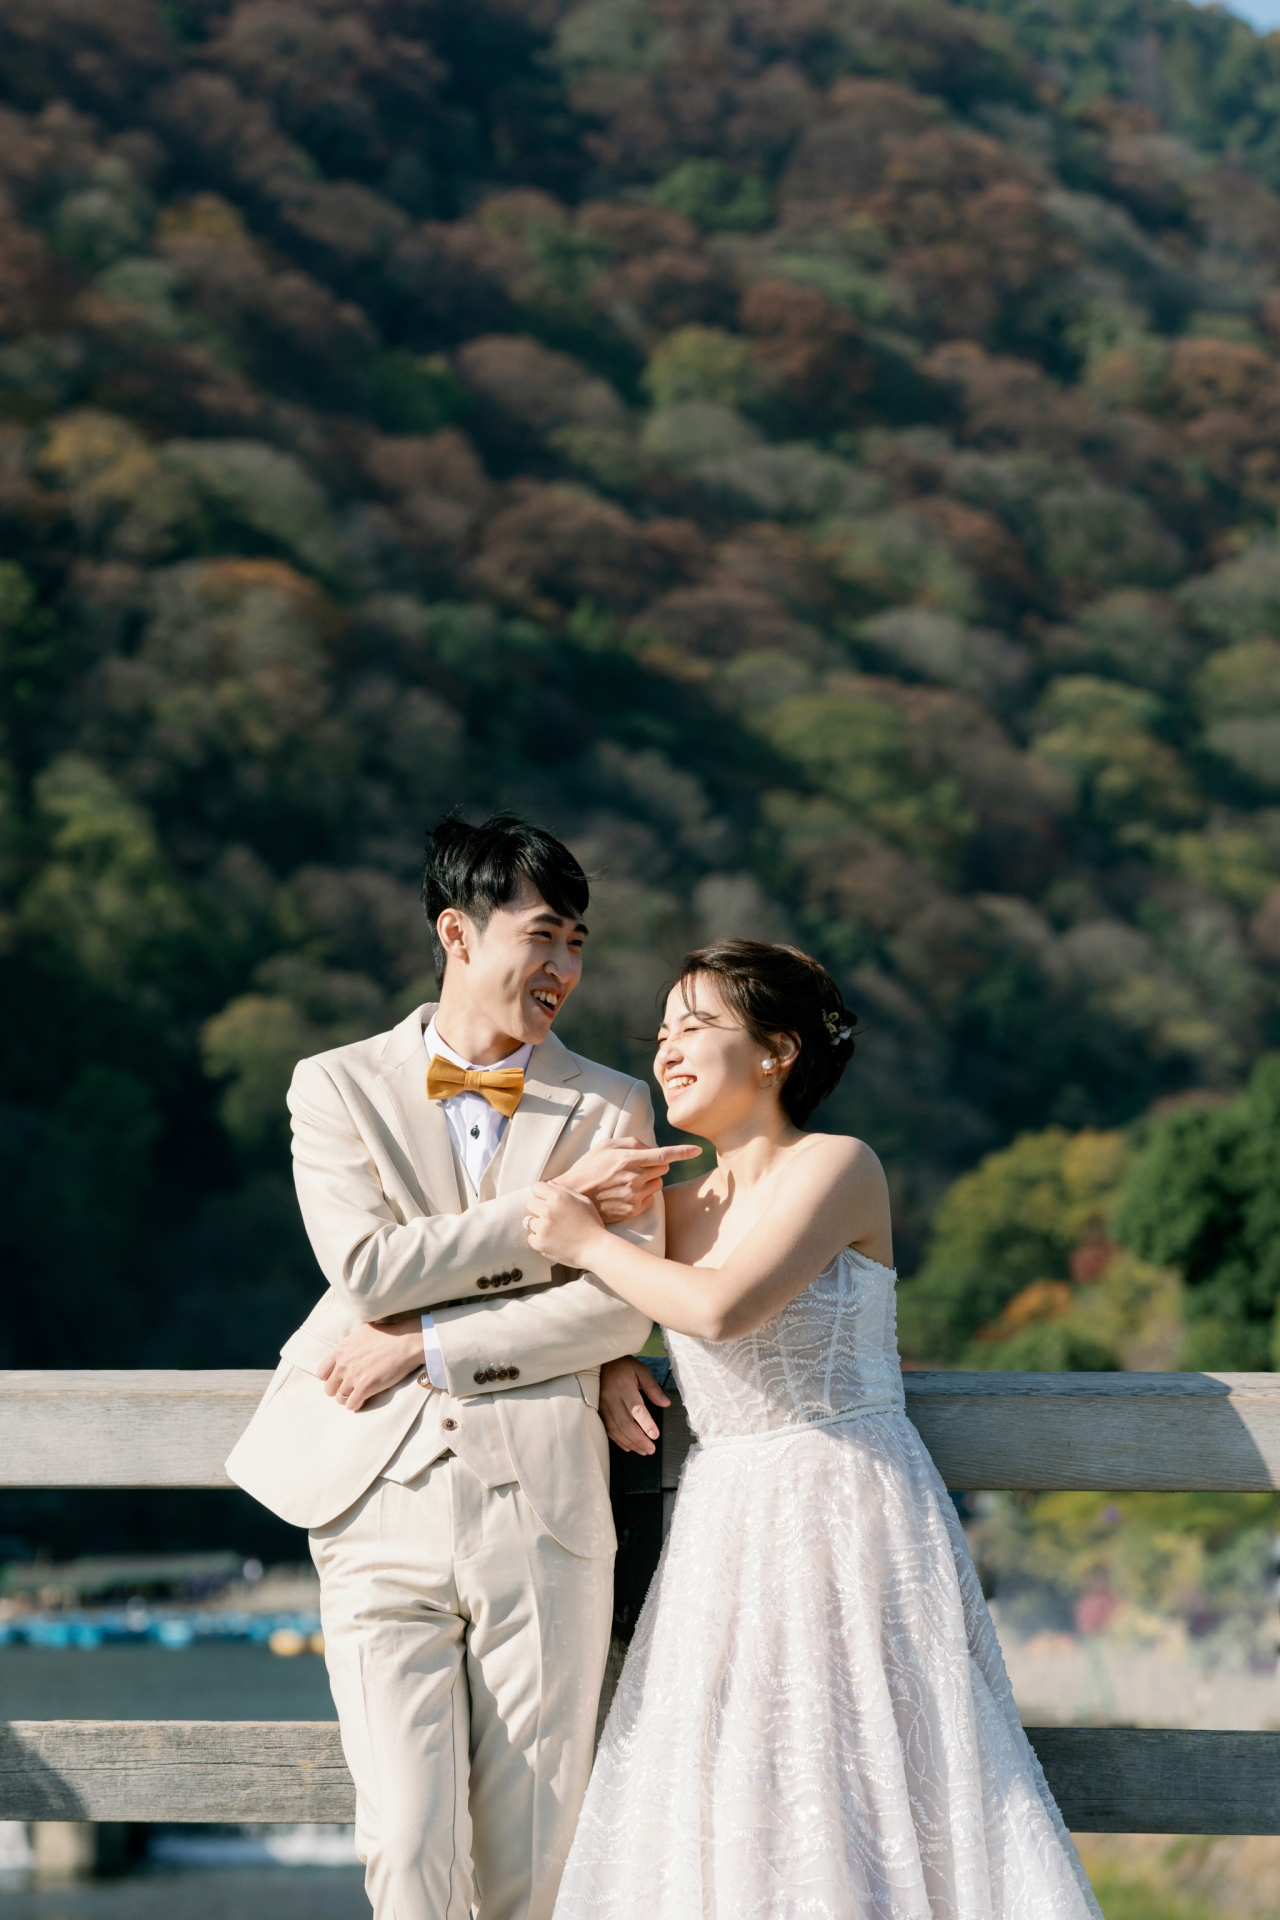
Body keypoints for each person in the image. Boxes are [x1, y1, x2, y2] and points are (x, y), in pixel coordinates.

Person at [526, 939, 1103, 1920]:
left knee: (867, 1777)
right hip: (727, 1523)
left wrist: (588, 1242)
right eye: (660, 1032)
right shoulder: (668, 1208)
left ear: (777, 1050)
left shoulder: (837, 1166)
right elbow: (584, 1306)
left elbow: (718, 1309)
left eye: (694, 1026)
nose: (666, 1050)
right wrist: (611, 1355)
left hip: (848, 1506)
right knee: (738, 1784)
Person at [226, 813, 699, 1920]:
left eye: (577, 943)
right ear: (457, 932)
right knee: (405, 1844)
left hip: (545, 1507)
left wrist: (431, 1345)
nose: (563, 968)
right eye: (543, 936)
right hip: (373, 1496)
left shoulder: (614, 1104)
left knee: (532, 1859)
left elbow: (616, 1308)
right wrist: (556, 1213)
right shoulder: (334, 1084)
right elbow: (367, 1270)